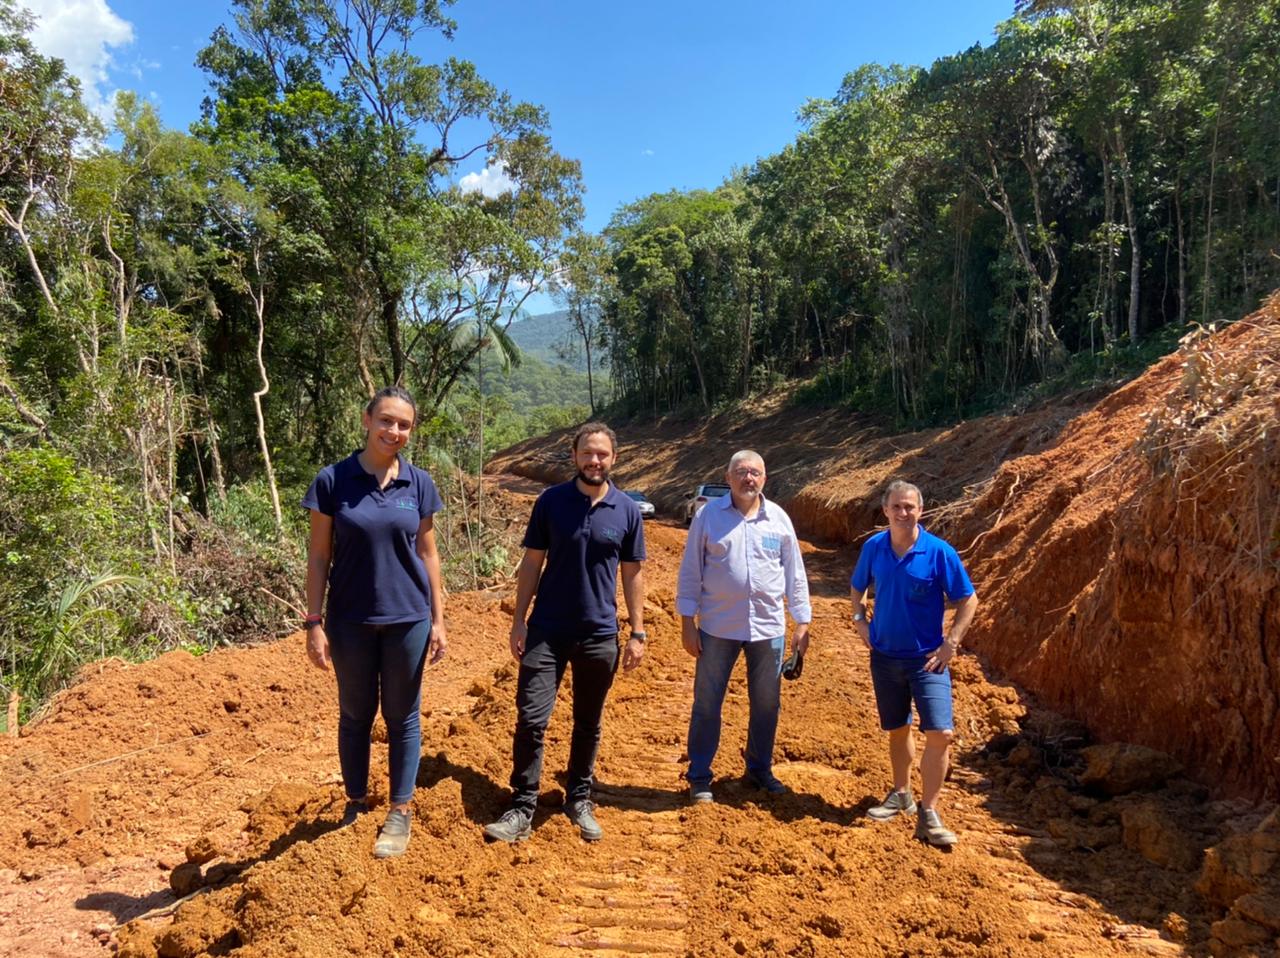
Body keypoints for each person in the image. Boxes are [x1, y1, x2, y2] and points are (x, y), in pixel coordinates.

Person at [483, 423, 647, 844]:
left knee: (588, 722)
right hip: (547, 631)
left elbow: (632, 575)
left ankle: (579, 798)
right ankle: (522, 806)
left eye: (603, 454)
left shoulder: (627, 511)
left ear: (614, 459)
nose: (595, 461)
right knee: (531, 718)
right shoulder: (551, 502)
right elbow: (532, 564)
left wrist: (637, 631)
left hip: (599, 634)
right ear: (574, 456)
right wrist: (519, 619)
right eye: (588, 453)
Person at [302, 385, 447, 859]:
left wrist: (439, 620)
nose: (394, 431)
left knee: (403, 716)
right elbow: (319, 555)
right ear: (367, 420)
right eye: (386, 421)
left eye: (404, 424)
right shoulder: (333, 480)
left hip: (409, 618)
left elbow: (428, 553)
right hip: (350, 621)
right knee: (355, 714)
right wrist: (314, 621)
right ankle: (356, 803)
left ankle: (400, 811)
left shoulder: (419, 484)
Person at [676, 450, 811, 803]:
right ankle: (700, 775)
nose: (748, 478)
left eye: (755, 472)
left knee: (767, 703)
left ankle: (759, 769)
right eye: (741, 472)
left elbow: (795, 574)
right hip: (717, 626)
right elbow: (691, 570)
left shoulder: (779, 519)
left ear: (764, 478)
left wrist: (802, 620)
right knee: (707, 702)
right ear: (728, 476)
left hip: (768, 629)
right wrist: (687, 621)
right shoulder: (708, 516)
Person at [849, 479, 977, 848]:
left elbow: (968, 600)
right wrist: (859, 621)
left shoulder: (939, 553)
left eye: (910, 507)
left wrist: (951, 643)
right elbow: (858, 588)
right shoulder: (873, 547)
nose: (903, 513)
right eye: (897, 507)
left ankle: (929, 812)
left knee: (941, 733)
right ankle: (901, 794)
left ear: (921, 511)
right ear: (885, 510)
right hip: (885, 657)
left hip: (928, 661)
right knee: (898, 728)